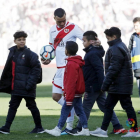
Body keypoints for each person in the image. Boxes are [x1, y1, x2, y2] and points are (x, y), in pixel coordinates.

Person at [41, 8, 101, 134]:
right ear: (54, 19)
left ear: (66, 16)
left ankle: (67, 127)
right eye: (59, 22)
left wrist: (97, 44)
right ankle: (74, 116)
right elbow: (52, 47)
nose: (62, 24)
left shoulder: (73, 27)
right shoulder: (52, 30)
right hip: (59, 68)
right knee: (56, 96)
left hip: (69, 67)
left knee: (69, 98)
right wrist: (47, 58)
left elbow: (86, 39)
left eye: (63, 21)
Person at [68, 31, 124, 135]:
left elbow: (99, 69)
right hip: (97, 86)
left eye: (84, 41)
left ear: (91, 41)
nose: (82, 43)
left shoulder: (92, 54)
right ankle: (117, 126)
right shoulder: (94, 52)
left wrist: (101, 85)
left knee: (85, 108)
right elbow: (98, 61)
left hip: (93, 86)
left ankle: (80, 128)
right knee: (105, 107)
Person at [90, 27, 140, 137]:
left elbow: (113, 69)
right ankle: (103, 130)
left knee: (127, 107)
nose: (107, 40)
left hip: (119, 84)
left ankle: (134, 130)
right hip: (118, 84)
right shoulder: (119, 46)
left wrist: (105, 84)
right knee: (108, 106)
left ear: (114, 37)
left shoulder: (116, 48)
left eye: (108, 38)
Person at [0, 31, 44, 134]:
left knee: (32, 106)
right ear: (15, 41)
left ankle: (39, 127)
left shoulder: (31, 54)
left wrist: (29, 84)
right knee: (13, 107)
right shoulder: (13, 52)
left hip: (26, 87)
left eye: (23, 39)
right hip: (16, 87)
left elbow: (36, 70)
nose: (22, 41)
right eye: (19, 40)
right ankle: (6, 127)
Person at [45, 41, 90, 136]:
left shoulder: (71, 64)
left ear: (67, 51)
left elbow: (70, 82)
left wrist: (68, 96)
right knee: (80, 111)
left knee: (65, 110)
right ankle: (85, 129)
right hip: (77, 92)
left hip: (73, 93)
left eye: (65, 48)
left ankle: (58, 129)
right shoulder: (76, 62)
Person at [128, 17, 140, 114]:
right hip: (137, 68)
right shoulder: (133, 36)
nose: (135, 28)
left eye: (136, 25)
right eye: (134, 26)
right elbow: (128, 51)